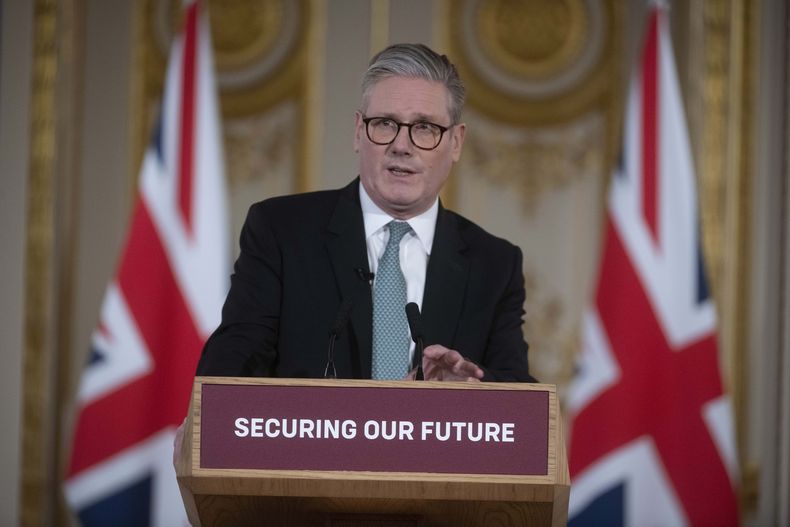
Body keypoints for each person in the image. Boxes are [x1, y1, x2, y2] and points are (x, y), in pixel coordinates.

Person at [195, 43, 535, 383]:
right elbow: (236, 357)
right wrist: (206, 418)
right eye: (386, 123)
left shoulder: (495, 264)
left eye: (425, 128)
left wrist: (475, 389)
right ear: (359, 131)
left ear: (456, 142)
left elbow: (520, 397)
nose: (402, 146)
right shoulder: (281, 231)